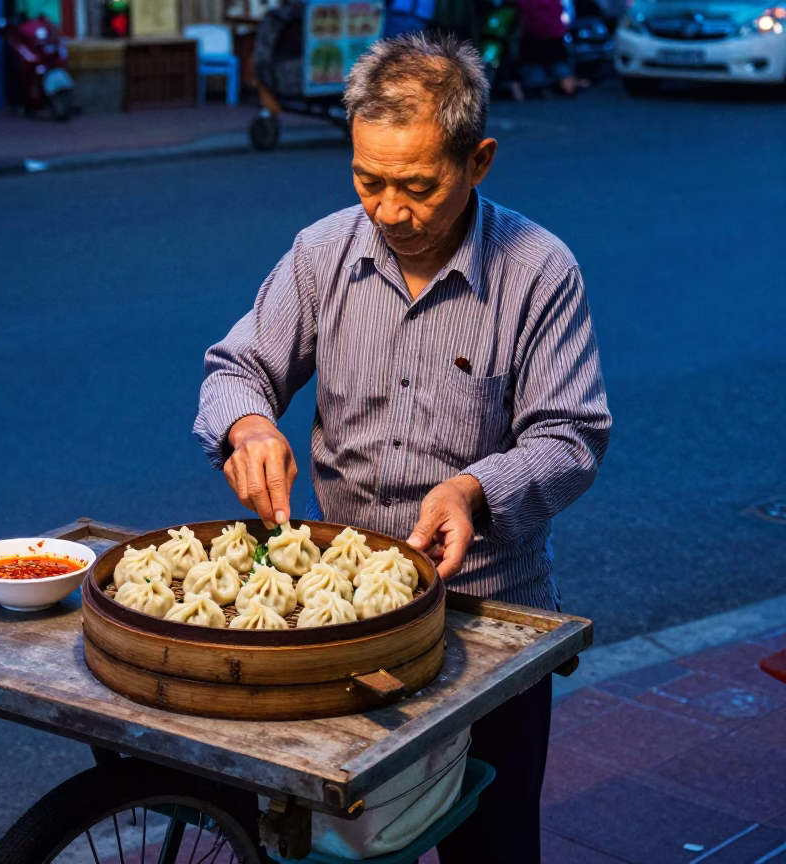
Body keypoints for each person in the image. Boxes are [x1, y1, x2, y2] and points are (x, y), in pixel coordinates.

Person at [193, 32, 610, 862]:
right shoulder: (322, 253)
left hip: (486, 614)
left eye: (417, 187)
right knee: (338, 838)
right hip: (340, 614)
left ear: (478, 161)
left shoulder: (539, 271)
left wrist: (474, 491)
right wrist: (249, 426)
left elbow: (571, 434)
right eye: (367, 180)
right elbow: (238, 368)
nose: (388, 211)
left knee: (491, 844)